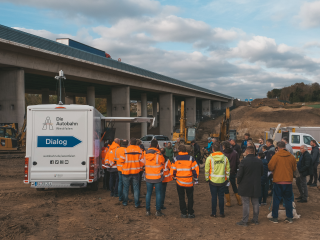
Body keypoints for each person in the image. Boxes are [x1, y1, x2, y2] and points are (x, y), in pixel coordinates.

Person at [268, 141, 297, 224]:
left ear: (278, 147)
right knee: (288, 199)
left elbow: (270, 166)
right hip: (288, 181)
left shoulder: (276, 156)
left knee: (276, 199)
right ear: (285, 146)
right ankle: (289, 217)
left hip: (278, 181)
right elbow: (294, 168)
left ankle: (275, 217)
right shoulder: (291, 157)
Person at [236, 146, 263, 227]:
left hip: (245, 185)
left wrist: (238, 182)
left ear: (247, 152)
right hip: (256, 185)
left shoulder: (244, 161)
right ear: (254, 152)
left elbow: (239, 174)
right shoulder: (259, 161)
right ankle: (255, 219)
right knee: (255, 203)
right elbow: (262, 173)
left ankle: (245, 221)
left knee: (246, 203)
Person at [171, 144, 199, 218]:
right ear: (186, 150)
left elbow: (173, 169)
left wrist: (174, 177)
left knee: (181, 197)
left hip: (179, 182)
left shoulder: (176, 159)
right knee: (190, 197)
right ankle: (190, 212)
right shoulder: (191, 158)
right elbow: (195, 169)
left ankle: (183, 212)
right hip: (189, 181)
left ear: (179, 151)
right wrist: (196, 179)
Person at [205, 142, 230, 217]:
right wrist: (227, 179)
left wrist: (207, 179)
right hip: (222, 181)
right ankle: (221, 213)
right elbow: (228, 170)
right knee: (221, 197)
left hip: (212, 181)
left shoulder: (209, 158)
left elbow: (206, 170)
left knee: (214, 197)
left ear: (213, 150)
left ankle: (214, 213)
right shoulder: (225, 158)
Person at [144, 139, 165, 216]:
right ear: (157, 146)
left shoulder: (145, 154)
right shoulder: (159, 155)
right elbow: (163, 162)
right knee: (158, 194)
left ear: (150, 145)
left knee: (148, 193)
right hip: (157, 177)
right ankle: (158, 211)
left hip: (148, 177)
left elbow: (144, 163)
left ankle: (147, 211)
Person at [122, 138, 144, 208]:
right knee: (136, 188)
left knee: (125, 188)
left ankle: (125, 202)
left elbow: (121, 160)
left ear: (130, 143)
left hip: (126, 172)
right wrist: (138, 166)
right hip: (136, 172)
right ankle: (136, 204)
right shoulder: (140, 150)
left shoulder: (125, 150)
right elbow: (143, 162)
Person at [222, 141, 241, 207]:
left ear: (224, 146)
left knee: (226, 187)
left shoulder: (223, 154)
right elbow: (238, 162)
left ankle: (228, 202)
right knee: (234, 186)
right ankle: (239, 201)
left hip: (225, 173)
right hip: (233, 172)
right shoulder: (235, 153)